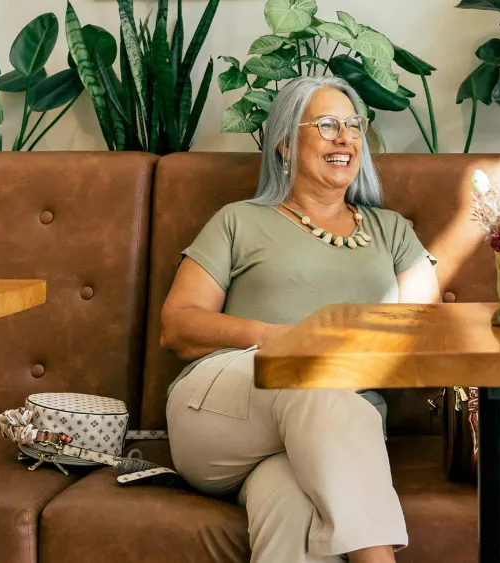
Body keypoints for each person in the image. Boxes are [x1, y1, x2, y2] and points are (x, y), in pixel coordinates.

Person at [159, 76, 439, 563]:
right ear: (285, 144)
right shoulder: (239, 220)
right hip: (223, 412)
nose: (345, 137)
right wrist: (284, 341)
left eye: (354, 125)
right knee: (310, 375)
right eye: (327, 124)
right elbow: (178, 327)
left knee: (291, 510)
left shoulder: (392, 232)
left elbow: (428, 338)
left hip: (332, 433)